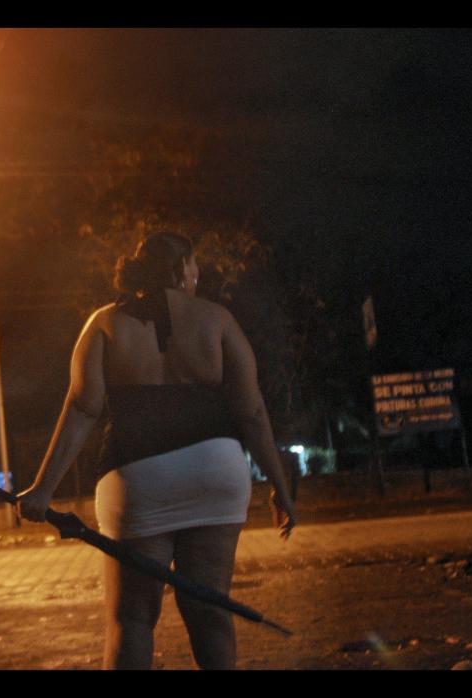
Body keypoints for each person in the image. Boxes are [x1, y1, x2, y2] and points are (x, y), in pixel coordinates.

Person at [17, 232, 296, 670]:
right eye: (193, 266)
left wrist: (42, 488)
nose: (197, 274)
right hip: (214, 471)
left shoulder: (105, 324)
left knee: (132, 618)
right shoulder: (217, 320)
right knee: (210, 612)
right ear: (178, 268)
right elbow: (253, 414)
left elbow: (82, 408)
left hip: (138, 477)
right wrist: (280, 487)